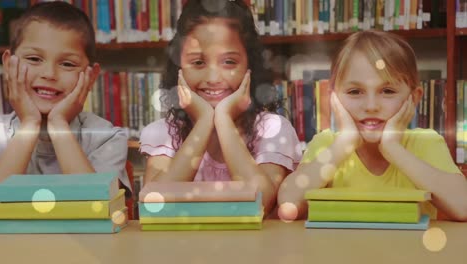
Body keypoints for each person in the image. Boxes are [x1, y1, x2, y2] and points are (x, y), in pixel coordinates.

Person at [277, 30, 467, 222]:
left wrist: (393, 149)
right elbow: (288, 206)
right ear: (334, 98)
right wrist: (344, 143)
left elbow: (463, 206)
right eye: (355, 91)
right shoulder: (327, 144)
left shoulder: (425, 142)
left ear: (414, 97)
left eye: (387, 91)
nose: (371, 106)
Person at [139, 0, 302, 215]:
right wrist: (204, 122)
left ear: (249, 66)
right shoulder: (163, 132)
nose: (213, 78)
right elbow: (153, 205)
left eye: (229, 62)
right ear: (178, 67)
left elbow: (262, 202)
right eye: (198, 62)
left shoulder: (273, 129)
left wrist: (223, 119)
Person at [0, 1, 131, 193]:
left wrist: (58, 124)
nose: (49, 74)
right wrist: (29, 123)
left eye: (67, 64)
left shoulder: (106, 138)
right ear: (10, 65)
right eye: (34, 59)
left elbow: (96, 207)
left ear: (91, 76)